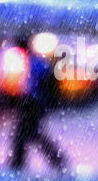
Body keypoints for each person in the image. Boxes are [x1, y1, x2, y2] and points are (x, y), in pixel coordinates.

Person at [10, 40, 67, 171]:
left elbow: (37, 85)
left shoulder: (34, 63)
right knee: (32, 134)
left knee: (25, 133)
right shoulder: (36, 61)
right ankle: (56, 159)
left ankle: (18, 162)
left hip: (34, 103)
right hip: (35, 103)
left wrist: (32, 100)